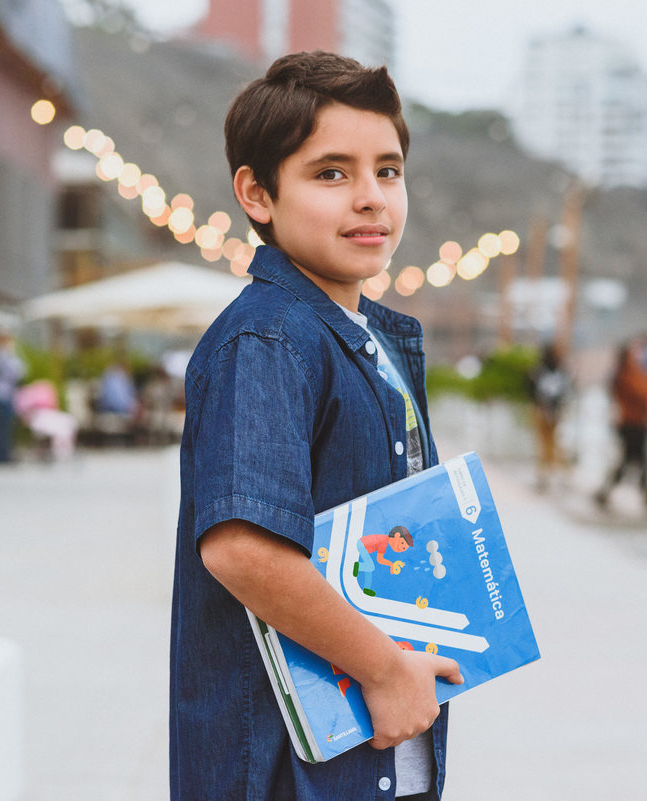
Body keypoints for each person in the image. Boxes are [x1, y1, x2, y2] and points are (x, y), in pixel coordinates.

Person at [170, 52, 463, 801]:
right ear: (257, 193)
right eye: (331, 173)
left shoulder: (369, 337)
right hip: (283, 770)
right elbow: (242, 547)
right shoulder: (268, 338)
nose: (370, 198)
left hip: (371, 761)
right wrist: (389, 668)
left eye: (388, 172)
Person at [595, 337, 647, 509]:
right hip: (632, 423)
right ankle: (646, 494)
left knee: (636, 460)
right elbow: (644, 392)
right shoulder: (626, 375)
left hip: (635, 422)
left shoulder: (631, 373)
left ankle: (644, 493)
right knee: (634, 460)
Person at [527, 341, 569, 491]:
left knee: (548, 443)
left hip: (546, 410)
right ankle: (549, 472)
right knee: (550, 442)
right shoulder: (551, 371)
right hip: (546, 410)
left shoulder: (540, 371)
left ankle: (549, 472)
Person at [0, 331, 26, 464]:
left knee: (6, 425)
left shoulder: (4, 354)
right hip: (3, 394)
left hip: (8, 393)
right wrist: (12, 354)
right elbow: (13, 371)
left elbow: (21, 370)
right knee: (3, 426)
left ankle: (4, 453)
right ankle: (1, 455)